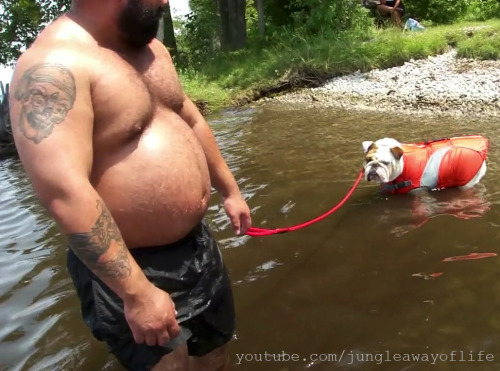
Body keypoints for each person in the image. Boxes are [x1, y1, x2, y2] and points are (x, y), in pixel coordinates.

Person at [9, 0, 252, 370]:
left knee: (215, 356)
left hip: (197, 246)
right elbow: (64, 191)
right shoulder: (53, 68)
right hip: (130, 266)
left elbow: (188, 116)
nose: (166, 2)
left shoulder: (153, 50)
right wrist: (136, 294)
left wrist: (229, 191)